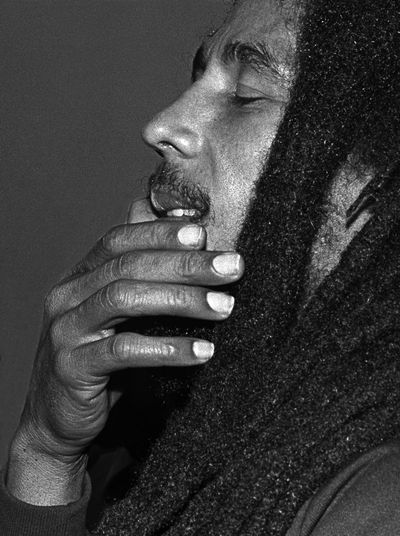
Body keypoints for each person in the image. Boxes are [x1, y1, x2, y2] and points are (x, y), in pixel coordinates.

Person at [2, 0, 400, 534]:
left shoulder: (379, 496)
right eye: (196, 76)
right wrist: (46, 455)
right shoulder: (150, 438)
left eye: (246, 95)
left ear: (381, 186)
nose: (161, 125)